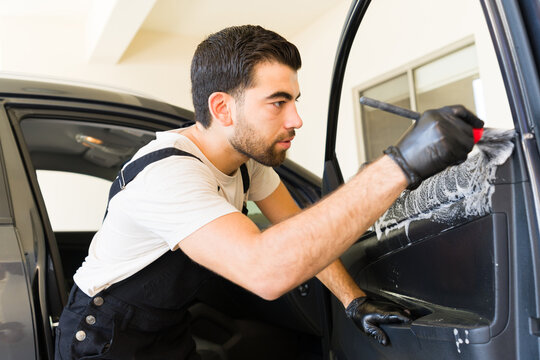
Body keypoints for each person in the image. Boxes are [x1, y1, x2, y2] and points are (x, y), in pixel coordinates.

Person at [55, 25, 483, 359]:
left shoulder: (248, 162)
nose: (296, 119)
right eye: (278, 102)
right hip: (103, 338)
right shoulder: (166, 175)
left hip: (167, 330)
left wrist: (354, 302)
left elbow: (299, 228)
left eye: (295, 100)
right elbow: (265, 271)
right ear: (222, 108)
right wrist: (399, 165)